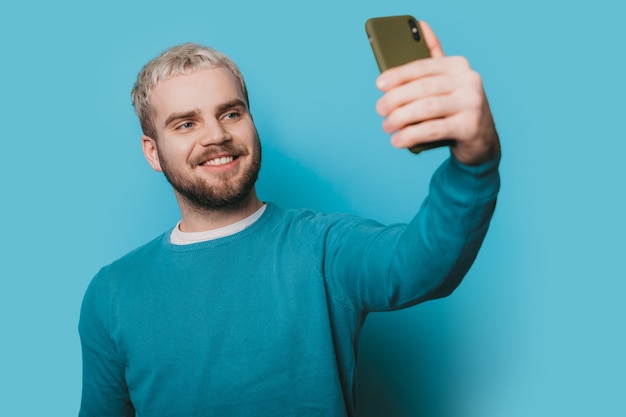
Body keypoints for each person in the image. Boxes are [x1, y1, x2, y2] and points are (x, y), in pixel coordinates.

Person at [78, 21, 500, 417]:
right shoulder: (111, 293)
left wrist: (474, 160)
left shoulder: (322, 247)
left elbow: (422, 263)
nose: (216, 136)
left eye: (230, 113)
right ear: (153, 151)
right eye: (186, 123)